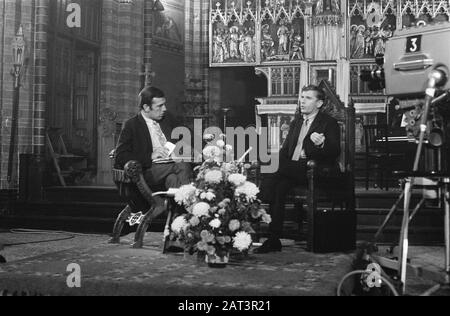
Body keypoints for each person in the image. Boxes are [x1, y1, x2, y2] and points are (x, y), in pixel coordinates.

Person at [255, 85, 341, 253]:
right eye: (301, 97)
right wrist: (278, 160)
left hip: (314, 170)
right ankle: (274, 239)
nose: (302, 101)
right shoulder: (296, 122)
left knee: (273, 167)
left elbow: (335, 151)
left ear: (319, 103)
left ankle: (260, 195)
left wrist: (321, 144)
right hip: (292, 169)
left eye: (308, 98)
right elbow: (285, 150)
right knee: (279, 189)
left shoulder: (329, 123)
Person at [114, 86, 193, 217]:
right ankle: (192, 207)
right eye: (160, 106)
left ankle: (178, 221)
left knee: (173, 179)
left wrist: (178, 147)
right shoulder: (131, 125)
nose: (165, 109)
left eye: (164, 105)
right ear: (146, 107)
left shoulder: (167, 119)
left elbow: (186, 134)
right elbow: (120, 156)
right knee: (182, 164)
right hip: (147, 171)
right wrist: (149, 155)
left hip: (169, 169)